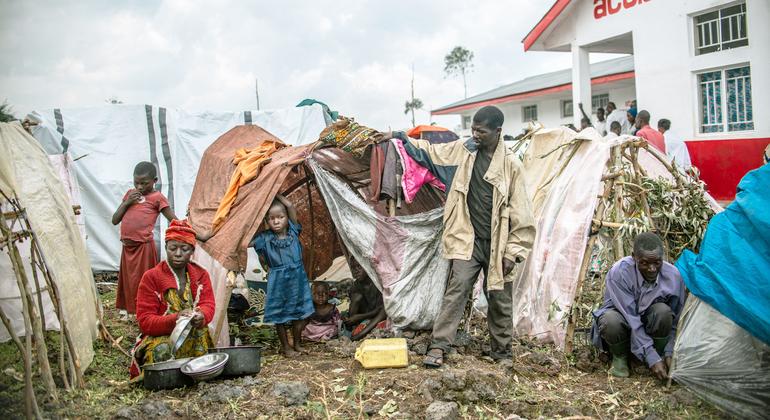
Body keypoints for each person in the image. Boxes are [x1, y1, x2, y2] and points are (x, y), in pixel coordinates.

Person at [379, 105, 536, 368]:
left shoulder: (511, 166)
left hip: (498, 245)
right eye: (473, 129)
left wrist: (513, 252)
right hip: (468, 238)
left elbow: (523, 214)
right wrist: (400, 136)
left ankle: (502, 353)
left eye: (481, 131)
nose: (475, 134)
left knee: (499, 297)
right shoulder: (463, 152)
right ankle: (439, 346)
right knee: (457, 289)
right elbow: (429, 151)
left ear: (497, 131)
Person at [591, 232, 685, 380]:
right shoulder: (620, 272)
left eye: (657, 263)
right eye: (645, 263)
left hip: (650, 329)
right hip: (623, 326)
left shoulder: (673, 276)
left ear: (663, 258)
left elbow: (676, 321)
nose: (652, 269)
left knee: (663, 312)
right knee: (610, 320)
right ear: (634, 257)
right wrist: (650, 355)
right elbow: (631, 319)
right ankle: (620, 357)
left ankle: (653, 357)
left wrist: (669, 352)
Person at [129, 219, 215, 380]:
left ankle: (194, 376)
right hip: (161, 335)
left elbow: (208, 304)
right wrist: (175, 319)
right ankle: (167, 380)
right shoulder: (152, 277)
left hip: (192, 333)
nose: (177, 253)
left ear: (192, 251)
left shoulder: (200, 274)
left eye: (184, 249)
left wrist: (202, 315)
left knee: (201, 339)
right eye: (173, 248)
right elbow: (145, 321)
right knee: (161, 350)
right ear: (166, 248)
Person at [250, 195, 314, 357]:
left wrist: (274, 193)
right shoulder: (264, 238)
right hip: (278, 280)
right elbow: (246, 242)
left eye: (280, 217)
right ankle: (286, 347)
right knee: (280, 315)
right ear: (266, 220)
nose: (276, 221)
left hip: (297, 278)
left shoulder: (293, 231)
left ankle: (297, 343)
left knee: (300, 312)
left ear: (287, 218)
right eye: (271, 218)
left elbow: (291, 205)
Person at [112, 161, 177, 319]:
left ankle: (146, 310)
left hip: (143, 247)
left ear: (155, 181)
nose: (140, 187)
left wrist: (188, 229)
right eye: (136, 183)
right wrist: (127, 202)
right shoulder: (130, 194)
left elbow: (173, 219)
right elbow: (115, 219)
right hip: (128, 247)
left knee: (143, 281)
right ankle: (129, 310)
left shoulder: (157, 198)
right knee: (128, 281)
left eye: (144, 183)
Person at [344, 260, 387, 341]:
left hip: (378, 316)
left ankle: (360, 334)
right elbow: (355, 309)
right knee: (357, 297)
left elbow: (380, 310)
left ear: (367, 266)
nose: (356, 270)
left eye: (359, 266)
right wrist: (352, 318)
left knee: (385, 311)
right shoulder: (355, 286)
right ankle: (352, 328)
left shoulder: (377, 283)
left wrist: (360, 317)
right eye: (353, 268)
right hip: (365, 316)